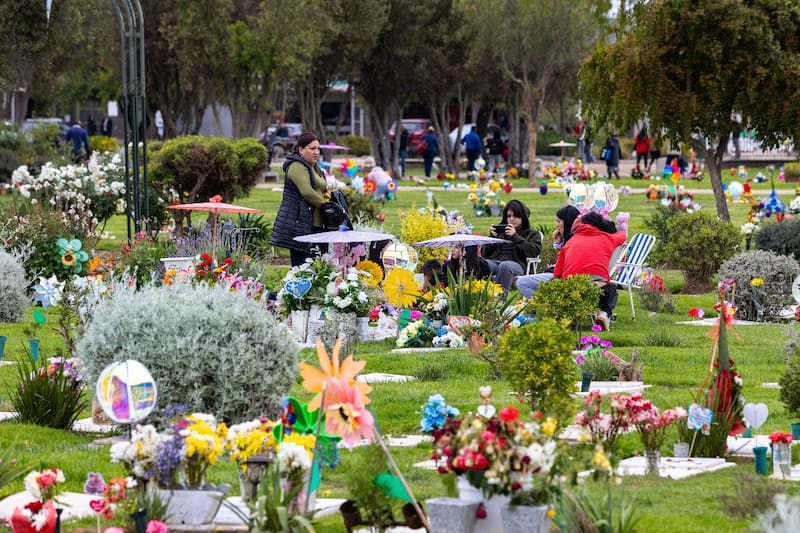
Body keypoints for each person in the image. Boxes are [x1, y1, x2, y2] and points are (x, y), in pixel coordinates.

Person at [552, 211, 627, 330]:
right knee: (612, 290)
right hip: (597, 291)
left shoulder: (570, 242)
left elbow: (557, 272)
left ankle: (571, 314)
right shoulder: (607, 238)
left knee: (569, 287)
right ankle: (604, 314)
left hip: (571, 291)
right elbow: (623, 235)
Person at [269, 132, 329, 266]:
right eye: (312, 148)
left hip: (317, 225)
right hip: (301, 225)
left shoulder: (314, 168)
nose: (316, 152)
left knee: (317, 269)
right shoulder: (297, 166)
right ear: (301, 150)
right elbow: (307, 192)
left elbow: (322, 189)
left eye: (318, 149)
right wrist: (326, 206)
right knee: (301, 269)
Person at [516, 205, 581, 298]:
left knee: (521, 282)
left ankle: (541, 307)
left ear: (568, 222)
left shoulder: (574, 241)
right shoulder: (574, 238)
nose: (557, 225)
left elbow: (568, 264)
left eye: (559, 221)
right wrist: (560, 243)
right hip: (566, 276)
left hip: (566, 278)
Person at [481, 199, 541, 293]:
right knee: (481, 263)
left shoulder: (532, 234)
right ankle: (478, 296)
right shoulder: (501, 232)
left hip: (517, 264)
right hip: (496, 262)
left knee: (505, 266)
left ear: (523, 217)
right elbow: (484, 253)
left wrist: (515, 236)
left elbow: (533, 251)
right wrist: (492, 238)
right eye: (509, 216)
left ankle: (501, 301)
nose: (512, 219)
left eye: (516, 216)